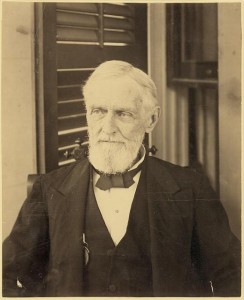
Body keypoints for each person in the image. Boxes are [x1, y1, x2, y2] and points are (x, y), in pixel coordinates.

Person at [3, 60, 241, 297]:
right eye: (98, 111)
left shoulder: (191, 189)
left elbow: (233, 276)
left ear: (151, 120)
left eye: (123, 114)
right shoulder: (49, 190)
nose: (108, 128)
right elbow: (5, 277)